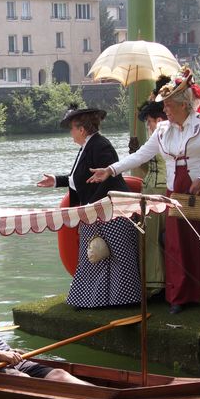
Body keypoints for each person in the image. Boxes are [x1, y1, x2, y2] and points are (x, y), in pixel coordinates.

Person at [88, 67, 200, 314]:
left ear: (184, 105)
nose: (164, 111)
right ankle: (181, 295)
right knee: (178, 242)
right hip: (176, 191)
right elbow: (142, 155)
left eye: (169, 106)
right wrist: (111, 169)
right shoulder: (163, 130)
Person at [36, 105, 141, 308]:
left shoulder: (101, 145)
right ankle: (91, 299)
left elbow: (107, 178)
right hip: (95, 211)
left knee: (119, 255)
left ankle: (125, 299)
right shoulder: (88, 146)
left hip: (110, 210)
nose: (71, 133)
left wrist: (92, 207)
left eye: (72, 129)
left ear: (81, 130)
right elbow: (81, 179)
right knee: (93, 257)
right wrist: (56, 181)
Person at [0, 260, 91, 384]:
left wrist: (8, 351)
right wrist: (2, 354)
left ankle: (100, 393)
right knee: (25, 381)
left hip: (4, 358)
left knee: (58, 374)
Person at [134, 98, 169, 296]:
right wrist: (136, 150)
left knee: (154, 237)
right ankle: (154, 281)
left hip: (159, 191)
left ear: (159, 119)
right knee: (149, 236)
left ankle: (157, 283)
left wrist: (137, 153)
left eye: (149, 121)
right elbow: (147, 166)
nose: (148, 125)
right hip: (150, 189)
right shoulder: (155, 138)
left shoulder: (163, 136)